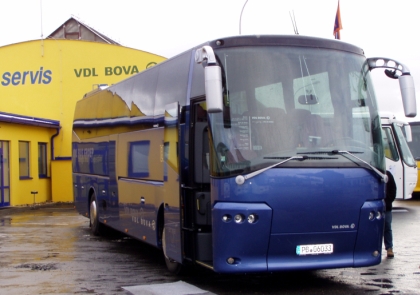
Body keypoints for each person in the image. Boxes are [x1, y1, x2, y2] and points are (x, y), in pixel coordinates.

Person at [384, 170, 397, 258]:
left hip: (386, 207)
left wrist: (388, 201)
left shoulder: (387, 174)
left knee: (387, 227)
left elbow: (393, 189)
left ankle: (389, 248)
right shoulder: (372, 173)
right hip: (374, 205)